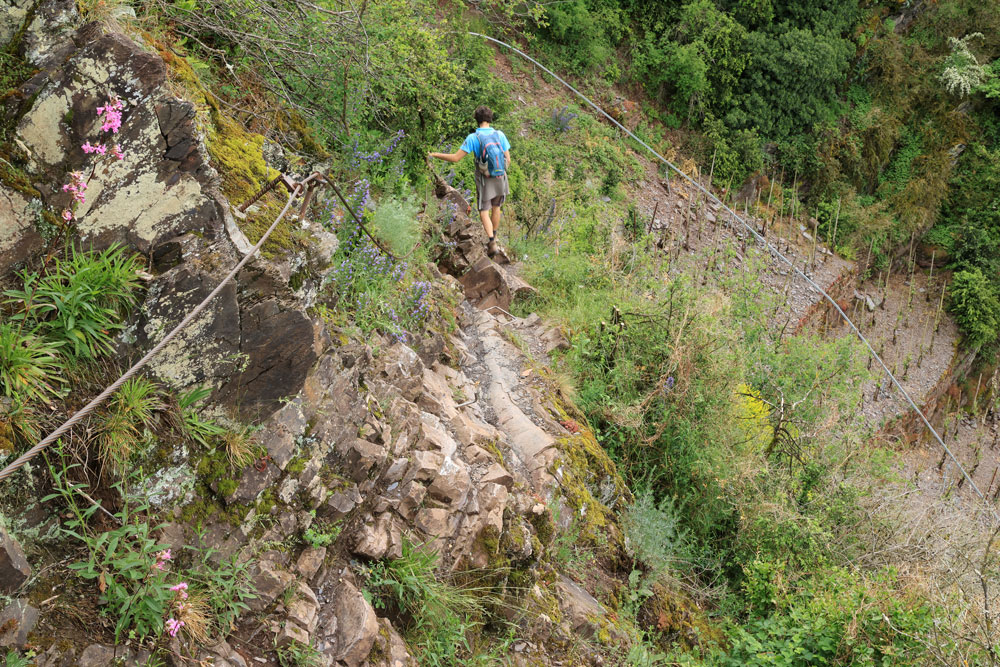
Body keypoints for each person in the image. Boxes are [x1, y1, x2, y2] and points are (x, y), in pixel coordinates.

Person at [428, 106, 511, 257]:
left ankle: (492, 242)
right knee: (496, 206)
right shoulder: (500, 134)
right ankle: (495, 235)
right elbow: (508, 159)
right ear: (490, 119)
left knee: (484, 210)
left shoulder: (474, 138)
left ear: (477, 119)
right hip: (501, 177)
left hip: (484, 179)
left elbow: (455, 158)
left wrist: (434, 154)